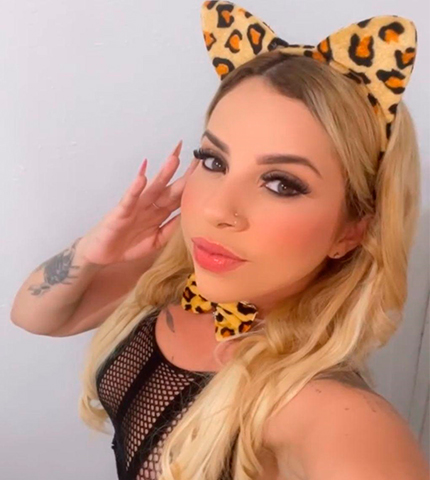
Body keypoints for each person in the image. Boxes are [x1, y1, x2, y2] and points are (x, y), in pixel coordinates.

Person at [11, 1, 429, 479]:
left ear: (353, 230)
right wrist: (91, 252)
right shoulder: (174, 278)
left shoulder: (338, 417)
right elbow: (32, 315)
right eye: (214, 161)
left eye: (281, 184)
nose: (215, 210)